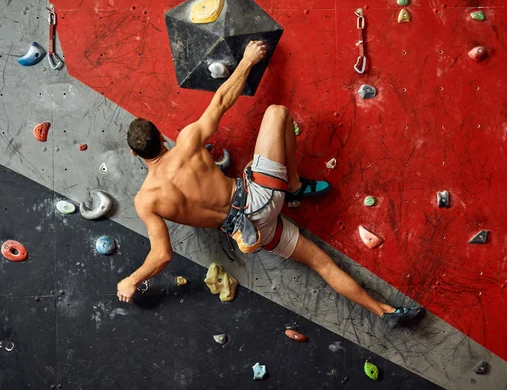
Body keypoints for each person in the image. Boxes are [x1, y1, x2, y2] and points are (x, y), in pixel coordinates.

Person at [117, 40, 425, 328]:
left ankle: (385, 313)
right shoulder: (186, 141)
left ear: (134, 153)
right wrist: (248, 61)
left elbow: (162, 255)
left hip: (252, 233)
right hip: (260, 195)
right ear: (161, 137)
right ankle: (292, 185)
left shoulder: (146, 201)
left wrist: (132, 279)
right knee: (277, 113)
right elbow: (222, 99)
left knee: (322, 265)